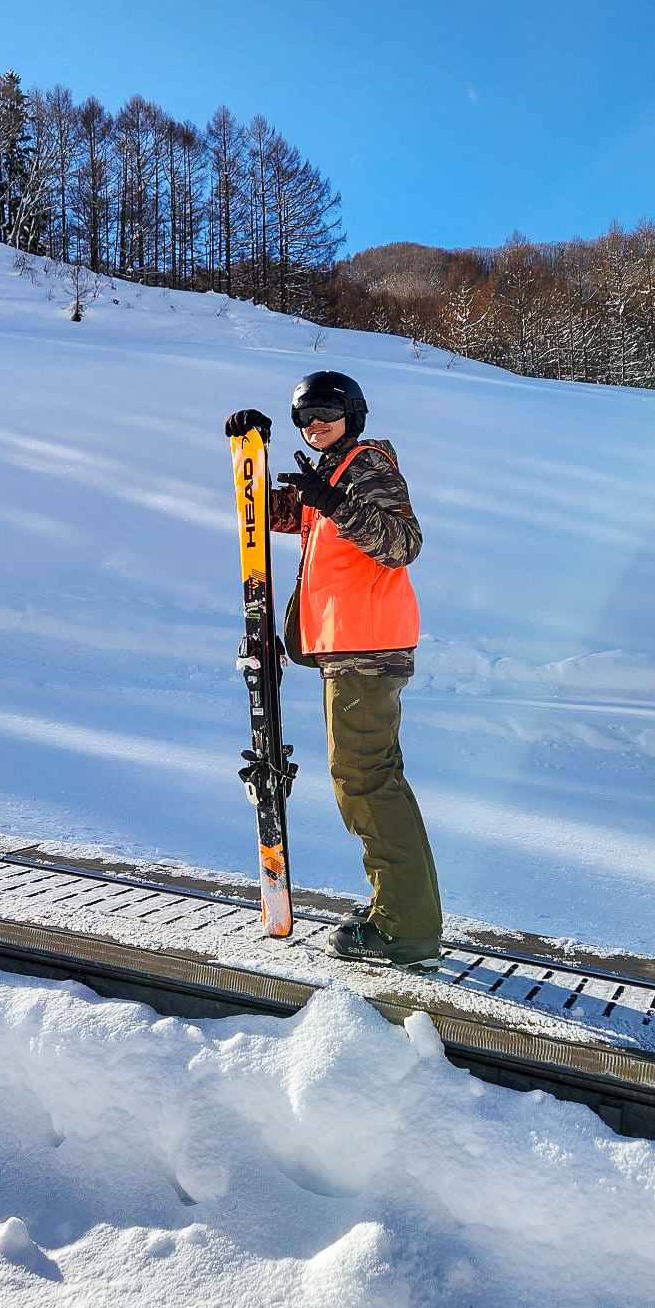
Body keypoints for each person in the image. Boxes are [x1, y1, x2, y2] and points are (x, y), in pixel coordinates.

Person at [225, 372, 442, 970]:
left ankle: (406, 927)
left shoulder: (366, 468)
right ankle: (402, 915)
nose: (313, 425)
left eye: (324, 412)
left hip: (368, 653)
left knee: (367, 784)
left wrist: (333, 502)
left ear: (353, 412)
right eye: (302, 417)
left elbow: (403, 542)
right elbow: (272, 517)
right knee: (371, 781)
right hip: (351, 652)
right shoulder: (336, 470)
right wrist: (251, 455)